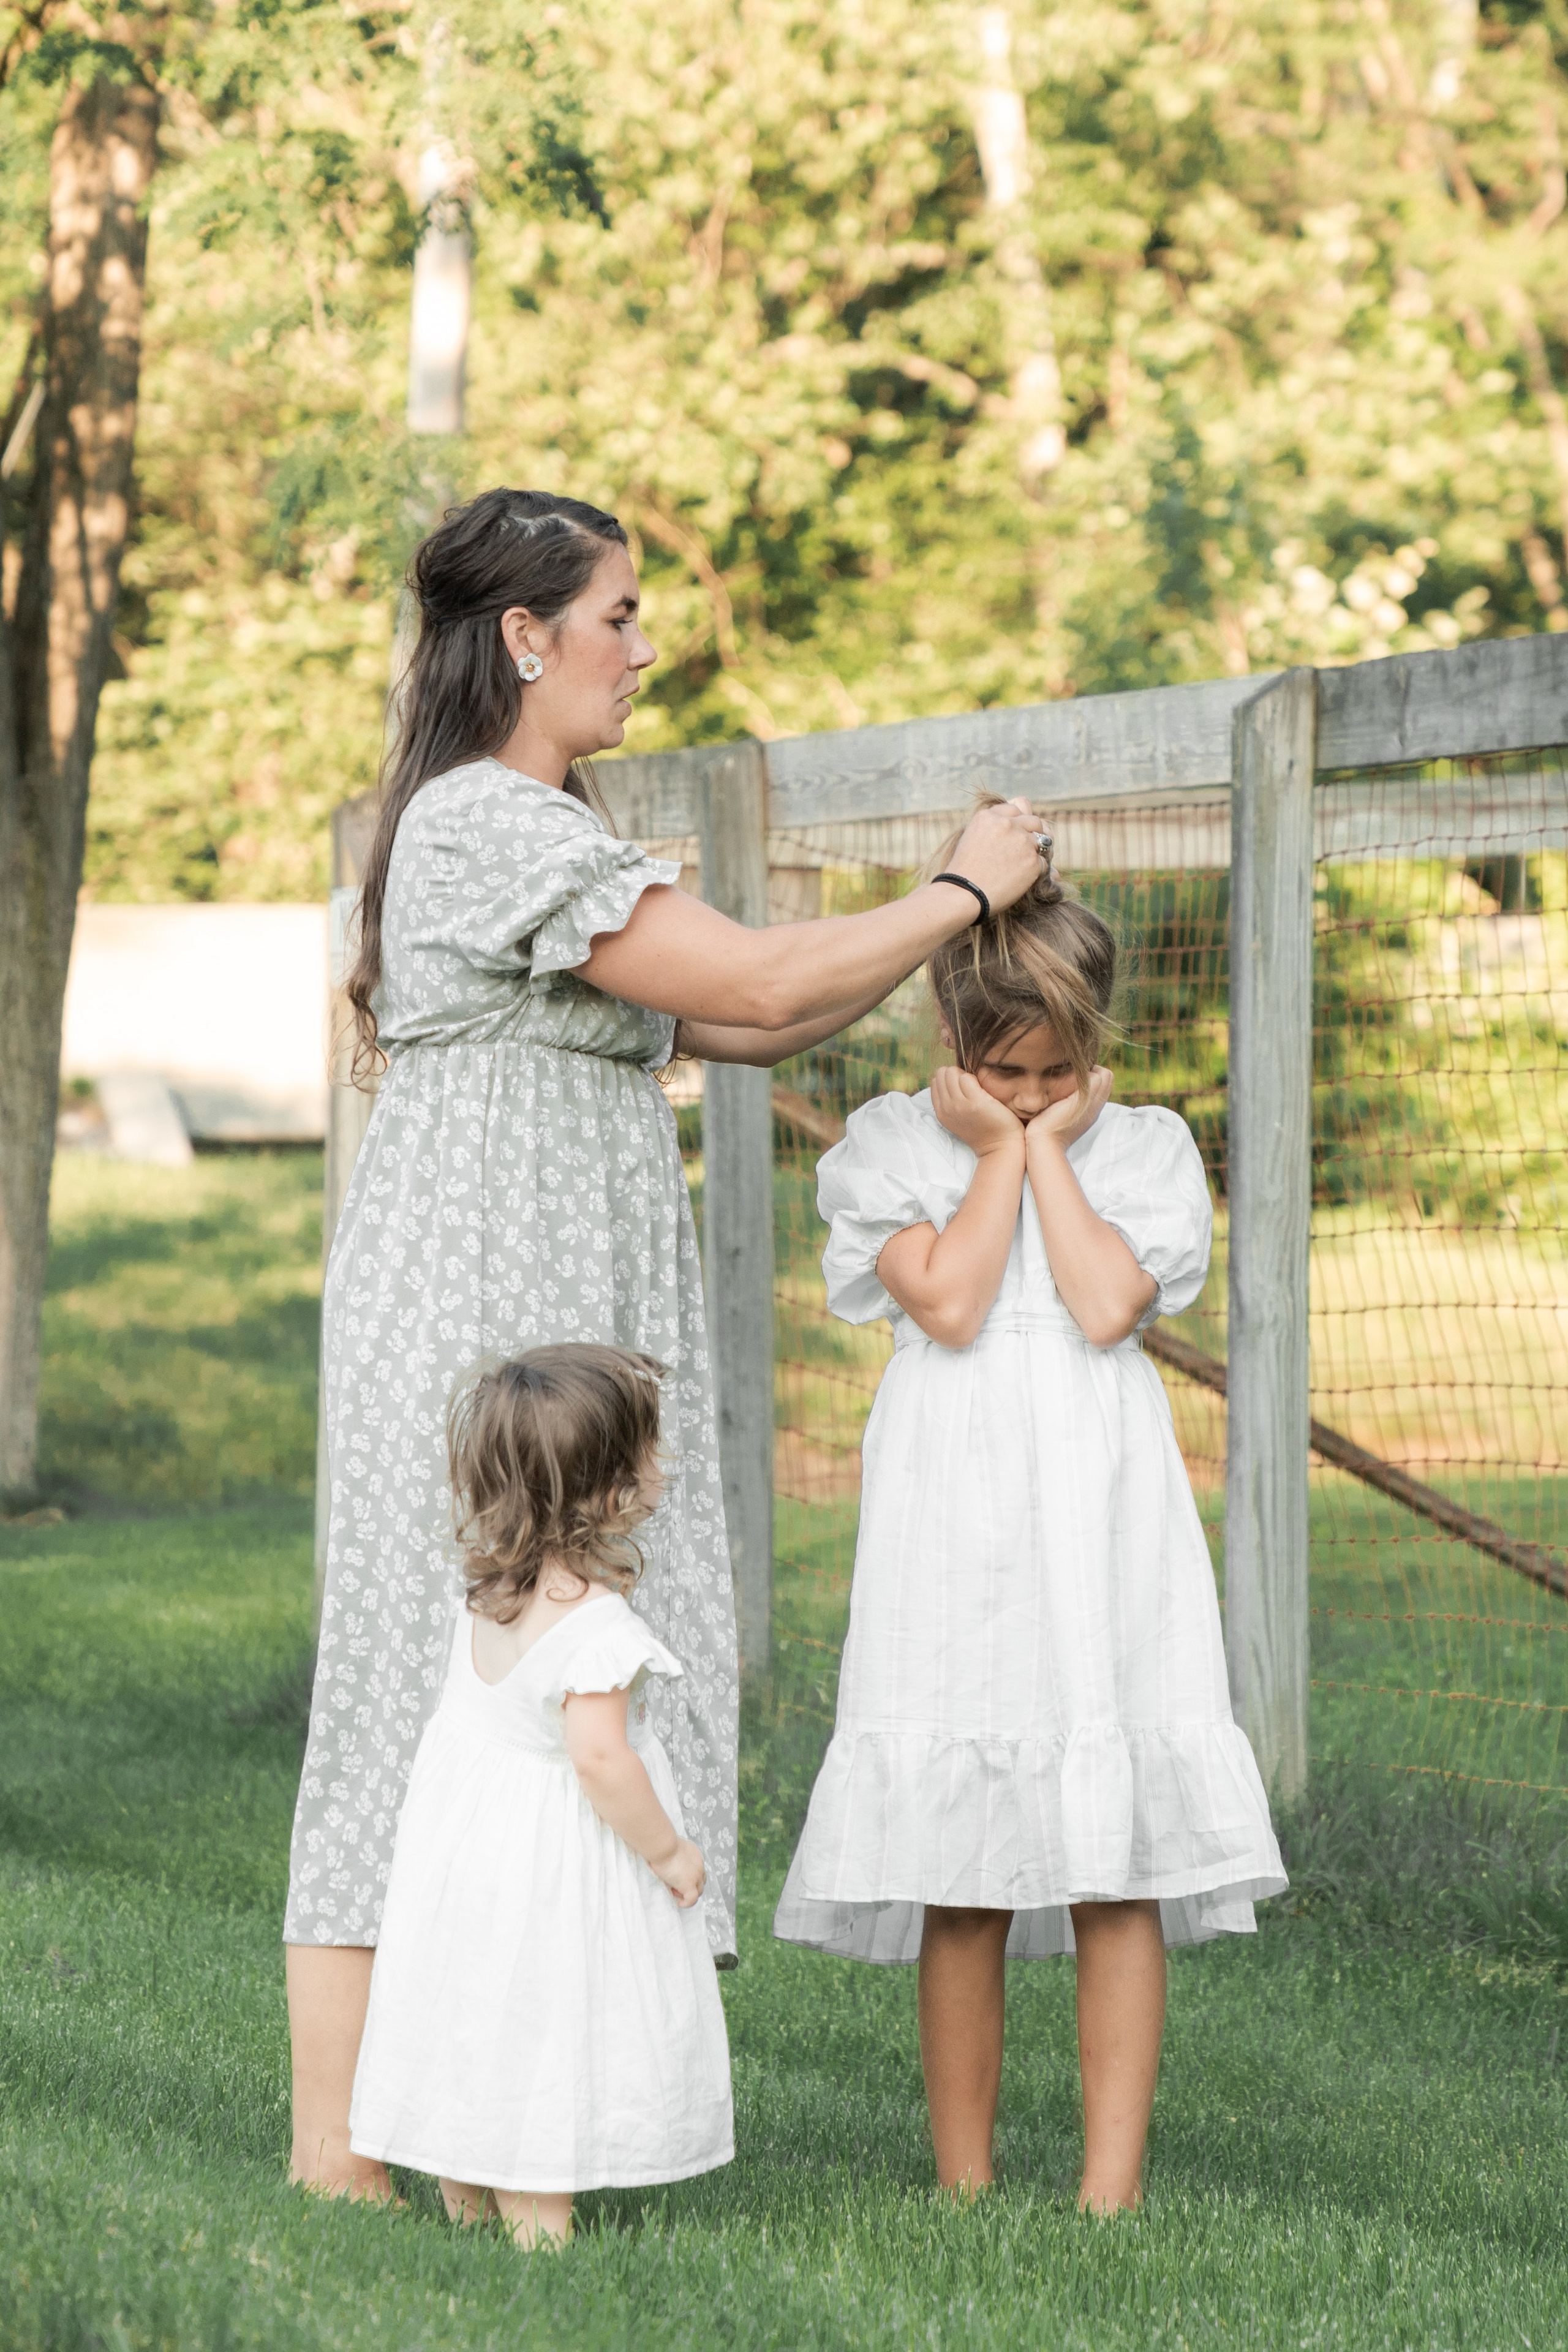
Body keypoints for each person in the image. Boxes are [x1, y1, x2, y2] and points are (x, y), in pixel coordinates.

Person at [286, 485, 1047, 2198]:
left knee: (575, 1670)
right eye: (618, 617)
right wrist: (956, 886)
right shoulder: (486, 821)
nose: (643, 649)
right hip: (481, 1286)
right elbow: (763, 986)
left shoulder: (543, 826)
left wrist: (936, 931)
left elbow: (755, 1021)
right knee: (426, 1671)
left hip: (573, 1269)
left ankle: (524, 2107)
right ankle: (338, 2154)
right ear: (524, 637)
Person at [773, 820, 1287, 2211]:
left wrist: (1047, 1150)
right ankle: (964, 2183)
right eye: (1005, 1074)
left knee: (1115, 1866)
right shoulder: (890, 1148)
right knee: (966, 1872)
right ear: (948, 1038)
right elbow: (947, 1302)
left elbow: (1108, 1304)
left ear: (1091, 1053)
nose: (1032, 1094)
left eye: (1058, 1075)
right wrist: (995, 1153)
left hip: (1100, 1513)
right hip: (953, 1520)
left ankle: (1109, 2189)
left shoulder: (1146, 1149)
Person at [348, 1344, 731, 2245]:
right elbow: (599, 1760)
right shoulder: (596, 1627)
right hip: (550, 1868)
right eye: (649, 1450)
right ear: (608, 1489)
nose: (665, 1463)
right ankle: (539, 2229)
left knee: (479, 2010)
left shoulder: (488, 1597)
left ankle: (465, 2204)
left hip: (465, 1855)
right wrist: (670, 1853)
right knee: (548, 2020)